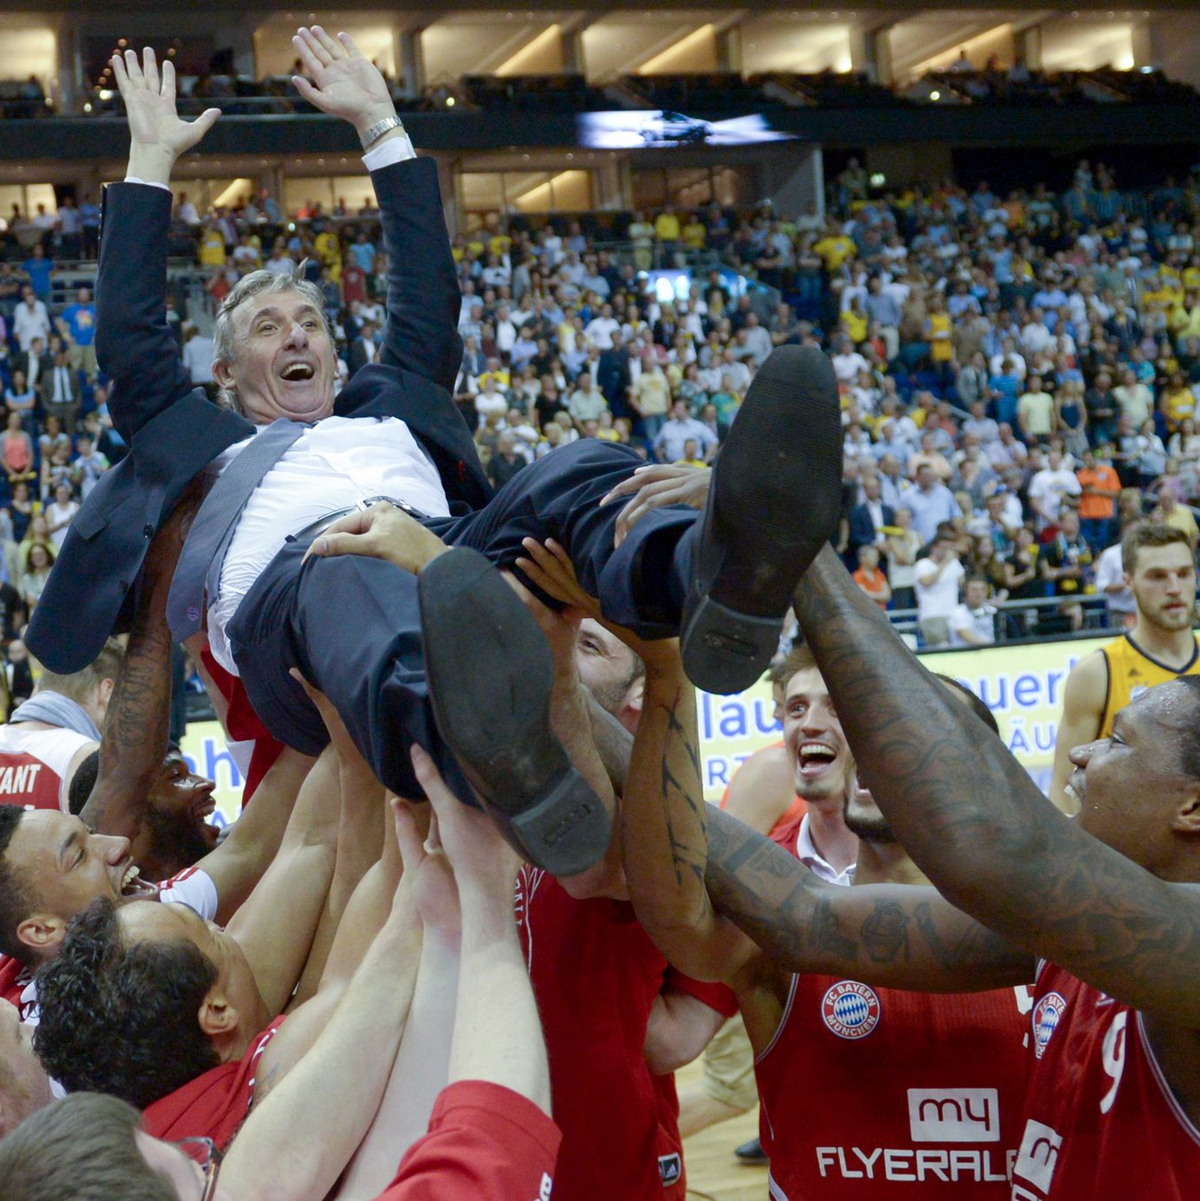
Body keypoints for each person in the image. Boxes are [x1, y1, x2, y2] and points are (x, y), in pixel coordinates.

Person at [29, 40, 841, 878]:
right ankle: (488, 751)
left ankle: (706, 575)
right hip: (299, 596)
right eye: (267, 329)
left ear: (339, 361)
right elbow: (129, 339)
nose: (296, 335)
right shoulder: (202, 445)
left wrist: (381, 124)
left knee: (573, 465)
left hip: (446, 547)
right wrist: (152, 157)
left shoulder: (390, 408)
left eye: (308, 322)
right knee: (344, 563)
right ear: (226, 376)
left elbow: (426, 294)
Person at [597, 608, 1028, 1199]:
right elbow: (678, 871)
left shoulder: (1057, 930)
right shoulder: (776, 921)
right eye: (872, 730)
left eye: (915, 736)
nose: (885, 749)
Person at [0, 752, 561, 1198]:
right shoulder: (272, 1079)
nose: (235, 931)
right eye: (215, 933)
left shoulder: (150, 1106)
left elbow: (335, 899)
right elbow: (494, 1148)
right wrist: (471, 902)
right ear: (216, 1012)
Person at [1050, 522, 1200, 809]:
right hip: (1129, 850)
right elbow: (1063, 793)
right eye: (1156, 576)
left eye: (1183, 574)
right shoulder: (1097, 673)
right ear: (1128, 582)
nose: (1173, 588)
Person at [914, 533, 965, 647]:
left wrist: (957, 560)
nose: (947, 551)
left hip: (953, 614)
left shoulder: (953, 563)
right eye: (943, 547)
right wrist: (945, 562)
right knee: (940, 649)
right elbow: (926, 581)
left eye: (950, 548)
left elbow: (962, 583)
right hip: (933, 615)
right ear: (934, 548)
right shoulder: (923, 564)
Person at [949, 575, 998, 646]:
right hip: (967, 653)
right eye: (974, 590)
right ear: (966, 592)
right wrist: (995, 647)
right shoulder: (958, 612)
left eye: (983, 589)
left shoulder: (992, 610)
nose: (979, 593)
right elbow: (968, 637)